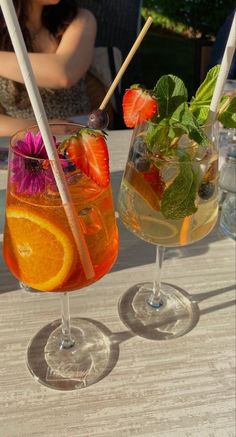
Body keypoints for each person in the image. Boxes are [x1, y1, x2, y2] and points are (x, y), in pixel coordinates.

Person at [0, 0, 97, 136]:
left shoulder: (79, 19)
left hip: (78, 136)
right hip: (21, 142)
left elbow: (63, 73)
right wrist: (42, 129)